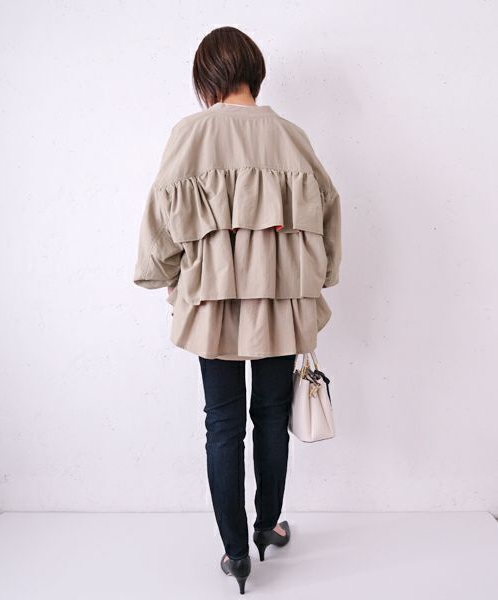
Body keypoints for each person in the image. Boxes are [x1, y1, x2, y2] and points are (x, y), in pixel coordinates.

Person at [133, 26, 341, 595]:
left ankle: (235, 553)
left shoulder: (190, 134)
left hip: (213, 304)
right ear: (255, 71)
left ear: (206, 79)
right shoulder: (292, 136)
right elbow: (327, 212)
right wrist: (319, 278)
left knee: (222, 423)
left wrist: (166, 277)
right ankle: (268, 526)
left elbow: (161, 221)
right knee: (271, 416)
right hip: (280, 303)